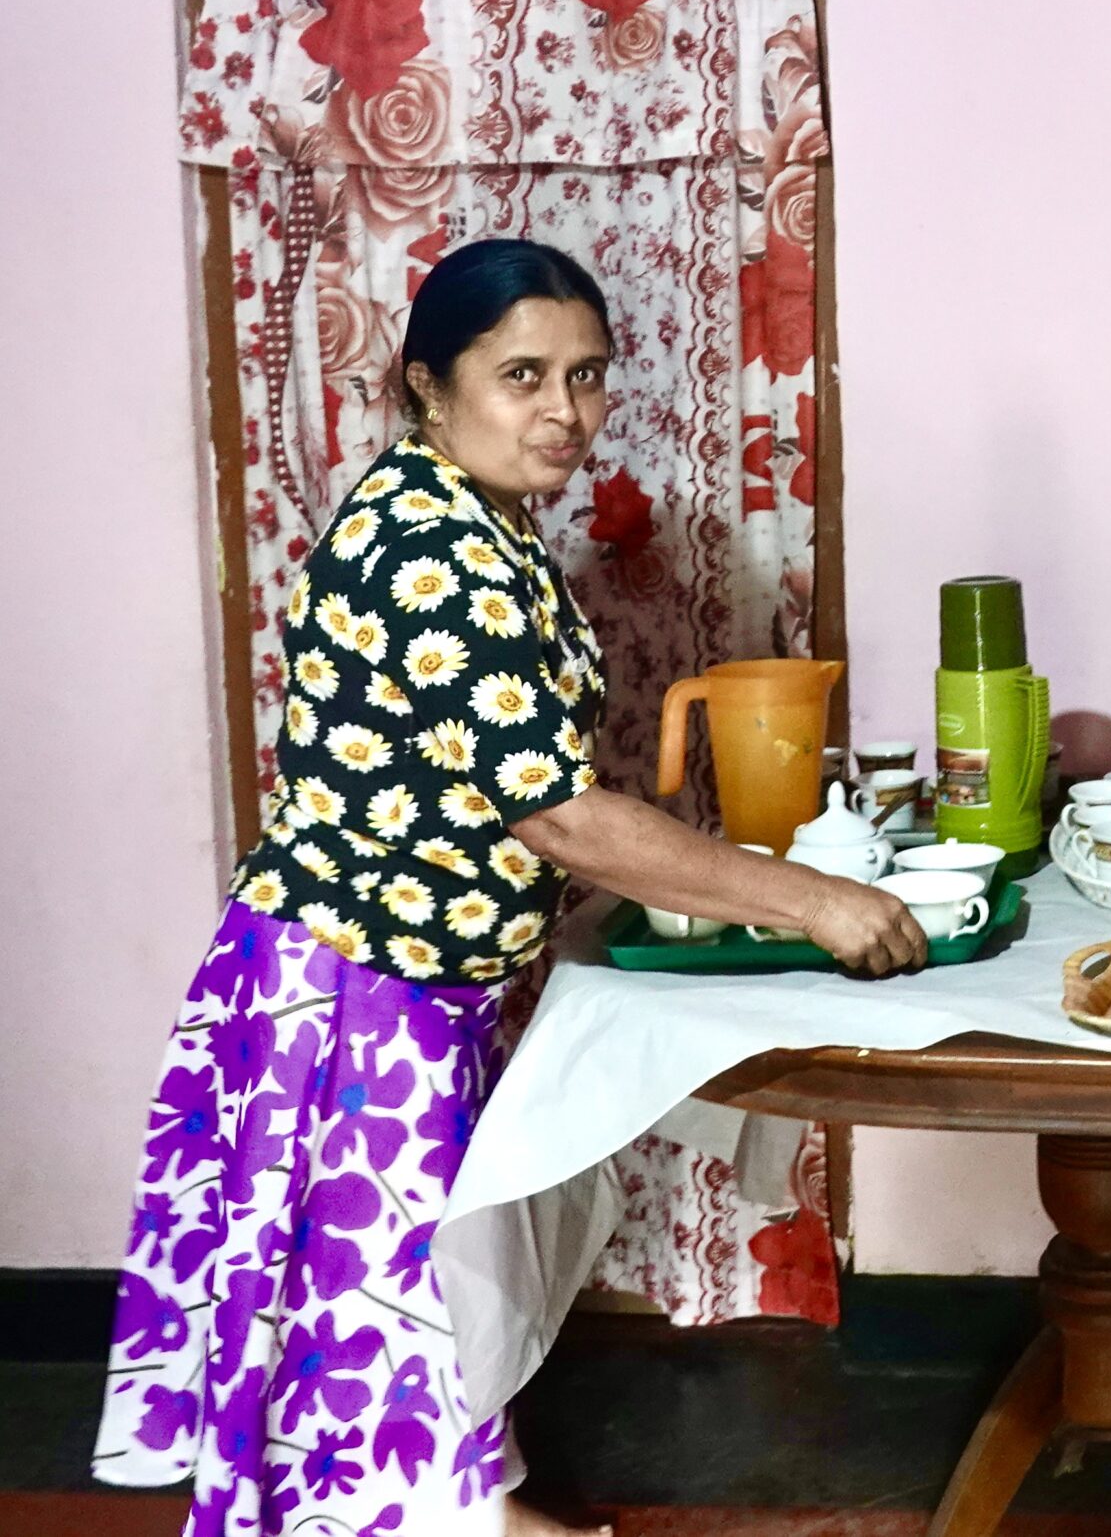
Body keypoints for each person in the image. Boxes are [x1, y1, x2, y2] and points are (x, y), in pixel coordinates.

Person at [92, 239, 926, 1537]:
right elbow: (557, 809)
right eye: (522, 372)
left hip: (393, 984)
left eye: (587, 375)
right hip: (350, 998)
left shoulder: (469, 515)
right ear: (432, 383)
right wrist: (803, 898)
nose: (566, 411)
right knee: (378, 1331)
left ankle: (484, 1511)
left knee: (393, 1323)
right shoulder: (426, 547)